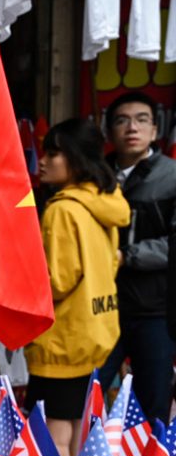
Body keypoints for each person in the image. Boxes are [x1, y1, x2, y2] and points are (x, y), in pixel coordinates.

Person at [24, 118, 130, 456]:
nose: (43, 161)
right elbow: (111, 263)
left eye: (53, 153)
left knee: (55, 434)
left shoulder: (62, 210)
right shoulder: (105, 205)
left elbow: (56, 282)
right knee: (77, 428)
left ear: (76, 158)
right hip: (94, 333)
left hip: (61, 341)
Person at [97, 91, 176, 424]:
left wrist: (125, 256)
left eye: (142, 119)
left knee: (153, 405)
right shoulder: (95, 177)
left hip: (154, 309)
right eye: (122, 120)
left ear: (155, 130)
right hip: (101, 308)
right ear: (109, 131)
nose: (133, 127)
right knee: (85, 396)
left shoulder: (171, 176)